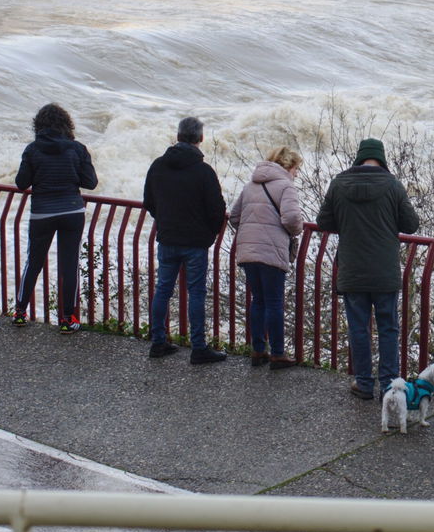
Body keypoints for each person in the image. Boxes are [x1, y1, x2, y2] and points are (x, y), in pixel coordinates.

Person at [316, 138, 419, 399]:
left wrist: (349, 223)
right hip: (384, 271)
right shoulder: (393, 185)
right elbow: (411, 224)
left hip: (353, 269)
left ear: (359, 158)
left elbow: (323, 221)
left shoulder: (339, 183)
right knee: (388, 328)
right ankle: (388, 385)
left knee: (358, 328)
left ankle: (363, 383)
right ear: (382, 159)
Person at [143, 116, 227, 364]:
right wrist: (209, 234)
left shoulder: (158, 165)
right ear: (200, 138)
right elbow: (216, 209)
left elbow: (149, 200)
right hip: (195, 243)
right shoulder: (203, 171)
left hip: (167, 237)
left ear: (178, 136)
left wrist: (165, 219)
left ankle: (158, 342)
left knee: (162, 290)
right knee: (196, 293)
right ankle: (198, 348)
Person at [11, 104, 98, 333]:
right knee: (69, 266)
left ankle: (20, 312)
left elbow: (21, 183)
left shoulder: (32, 150)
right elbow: (90, 182)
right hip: (72, 211)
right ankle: (68, 319)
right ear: (66, 125)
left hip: (42, 212)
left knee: (34, 262)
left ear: (38, 125)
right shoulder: (77, 149)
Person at [229, 146, 304, 370]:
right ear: (289, 167)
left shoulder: (251, 185)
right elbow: (292, 220)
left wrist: (252, 233)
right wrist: (293, 231)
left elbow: (234, 217)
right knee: (274, 302)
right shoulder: (286, 186)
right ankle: (278, 354)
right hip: (271, 251)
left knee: (258, 300)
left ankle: (258, 349)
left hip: (248, 251)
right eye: (296, 169)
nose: (297, 174)